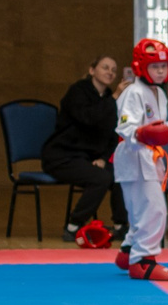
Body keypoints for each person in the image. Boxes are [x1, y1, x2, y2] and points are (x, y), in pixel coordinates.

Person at [111, 40, 168, 282]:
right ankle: (143, 261)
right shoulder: (133, 92)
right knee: (153, 210)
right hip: (133, 157)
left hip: (149, 157)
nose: (160, 71)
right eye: (154, 66)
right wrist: (142, 134)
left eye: (163, 66)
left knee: (142, 209)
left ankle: (129, 251)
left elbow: (157, 130)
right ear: (141, 67)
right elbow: (127, 128)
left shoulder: (158, 93)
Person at [43, 54, 126, 240]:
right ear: (92, 70)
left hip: (88, 159)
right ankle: (73, 226)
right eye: (105, 67)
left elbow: (112, 134)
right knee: (101, 179)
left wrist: (103, 158)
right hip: (62, 156)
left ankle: (121, 225)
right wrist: (114, 97)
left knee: (121, 174)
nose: (110, 72)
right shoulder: (78, 92)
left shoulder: (108, 98)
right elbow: (89, 118)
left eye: (114, 70)